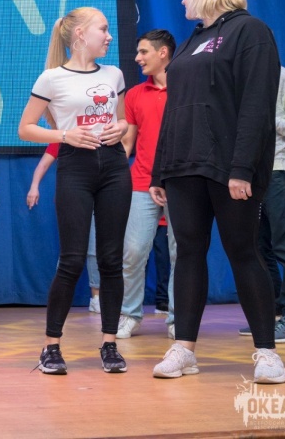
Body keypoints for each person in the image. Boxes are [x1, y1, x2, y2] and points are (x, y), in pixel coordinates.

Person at [150, 0, 284, 384]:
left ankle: (267, 352)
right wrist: (159, 171)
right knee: (188, 253)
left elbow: (257, 106)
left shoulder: (250, 31)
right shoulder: (192, 41)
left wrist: (242, 168)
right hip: (182, 166)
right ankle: (184, 349)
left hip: (229, 168)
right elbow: (174, 109)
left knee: (244, 252)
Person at [18, 7, 131, 375]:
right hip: (75, 168)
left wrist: (120, 128)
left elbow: (123, 120)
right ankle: (51, 346)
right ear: (81, 34)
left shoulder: (114, 74)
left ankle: (110, 344)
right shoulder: (52, 78)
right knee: (71, 260)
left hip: (114, 167)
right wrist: (65, 134)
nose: (109, 36)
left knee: (111, 260)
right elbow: (26, 128)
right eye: (103, 29)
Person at [238, 66, 285, 342]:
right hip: (247, 175)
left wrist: (269, 119)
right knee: (258, 247)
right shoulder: (238, 77)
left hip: (277, 171)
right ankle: (272, 313)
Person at [116, 29, 177, 340]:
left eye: (143, 52)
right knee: (133, 251)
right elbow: (128, 143)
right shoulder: (135, 95)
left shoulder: (186, 89)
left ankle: (179, 318)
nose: (137, 58)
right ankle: (129, 314)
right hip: (141, 182)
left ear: (163, 52)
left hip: (181, 183)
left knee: (181, 254)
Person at [27, 143, 101, 313]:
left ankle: (96, 298)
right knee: (70, 251)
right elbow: (43, 164)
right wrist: (34, 187)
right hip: (72, 200)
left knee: (94, 249)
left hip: (97, 199)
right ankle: (60, 299)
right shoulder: (62, 139)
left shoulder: (98, 137)